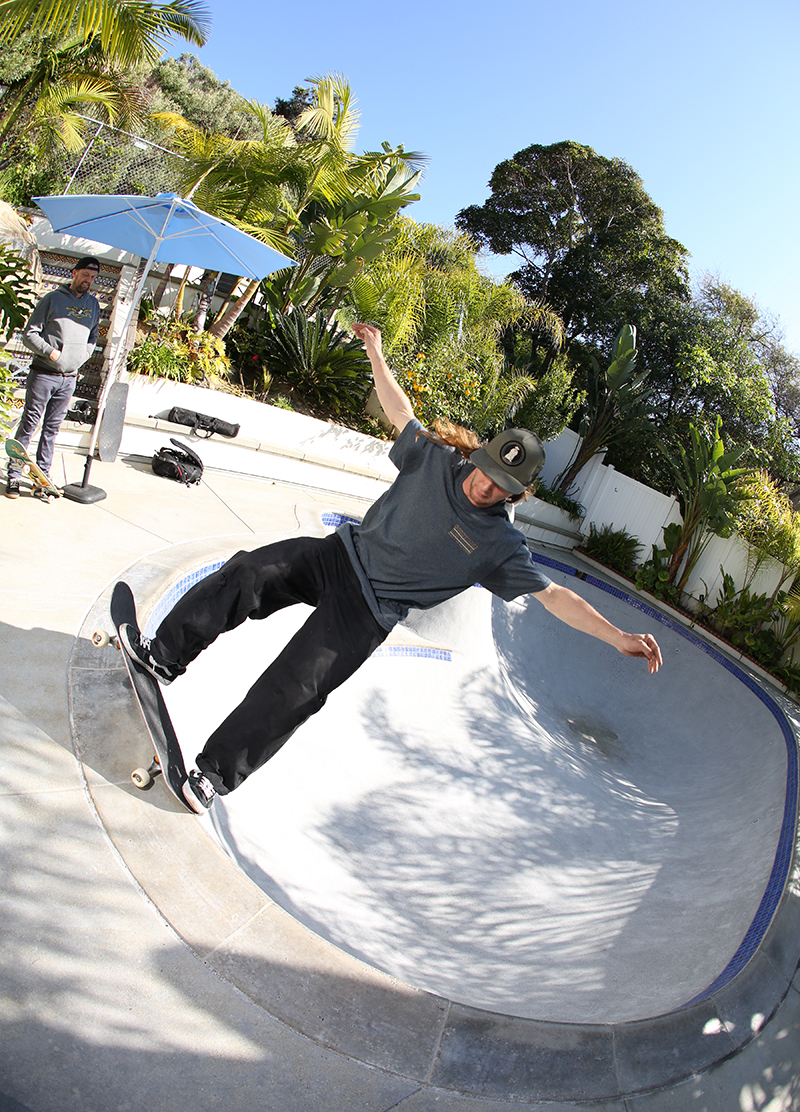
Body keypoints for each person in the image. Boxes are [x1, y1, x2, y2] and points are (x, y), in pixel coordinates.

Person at [120, 323, 663, 813]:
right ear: (479, 455)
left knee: (296, 688)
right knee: (248, 573)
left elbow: (554, 597)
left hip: (369, 612)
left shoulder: (500, 543)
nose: (486, 486)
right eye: (487, 471)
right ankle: (164, 655)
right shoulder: (435, 458)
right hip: (340, 556)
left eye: (503, 486)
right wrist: (376, 351)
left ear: (518, 492)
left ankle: (214, 773)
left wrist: (616, 636)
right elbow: (400, 409)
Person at [6, 255, 102, 498]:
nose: (88, 280)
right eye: (85, 275)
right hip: (44, 374)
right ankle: (14, 475)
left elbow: (92, 337)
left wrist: (82, 356)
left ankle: (43, 478)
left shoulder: (94, 305)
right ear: (75, 273)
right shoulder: (52, 299)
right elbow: (29, 334)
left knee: (52, 428)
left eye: (92, 277)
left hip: (69, 378)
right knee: (29, 424)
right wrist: (50, 352)